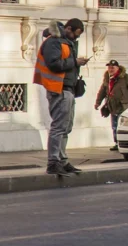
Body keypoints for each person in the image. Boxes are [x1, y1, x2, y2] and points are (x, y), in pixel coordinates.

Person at [33, 19, 89, 177]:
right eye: (75, 34)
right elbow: (54, 64)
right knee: (59, 126)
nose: (75, 38)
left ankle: (62, 161)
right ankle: (53, 162)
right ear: (68, 28)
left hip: (67, 89)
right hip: (58, 89)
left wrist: (76, 64)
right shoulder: (54, 41)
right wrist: (75, 61)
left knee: (66, 127)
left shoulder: (64, 41)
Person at [95, 60, 128, 151]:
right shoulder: (107, 79)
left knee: (123, 125)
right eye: (109, 67)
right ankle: (117, 143)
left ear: (118, 68)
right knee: (114, 126)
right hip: (112, 107)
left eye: (112, 67)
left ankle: (126, 142)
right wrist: (98, 102)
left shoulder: (125, 77)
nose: (110, 69)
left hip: (124, 107)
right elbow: (102, 92)